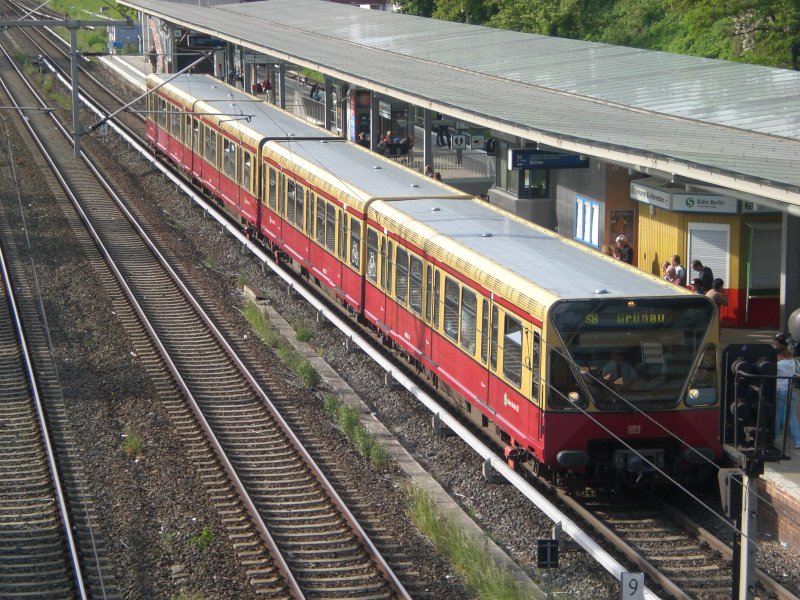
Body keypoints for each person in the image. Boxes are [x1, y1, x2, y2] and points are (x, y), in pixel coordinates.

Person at [774, 343, 800, 449]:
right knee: (791, 416)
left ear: (780, 355)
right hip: (792, 391)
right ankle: (797, 441)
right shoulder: (796, 362)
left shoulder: (778, 365)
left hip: (780, 391)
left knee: (777, 415)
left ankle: (773, 438)